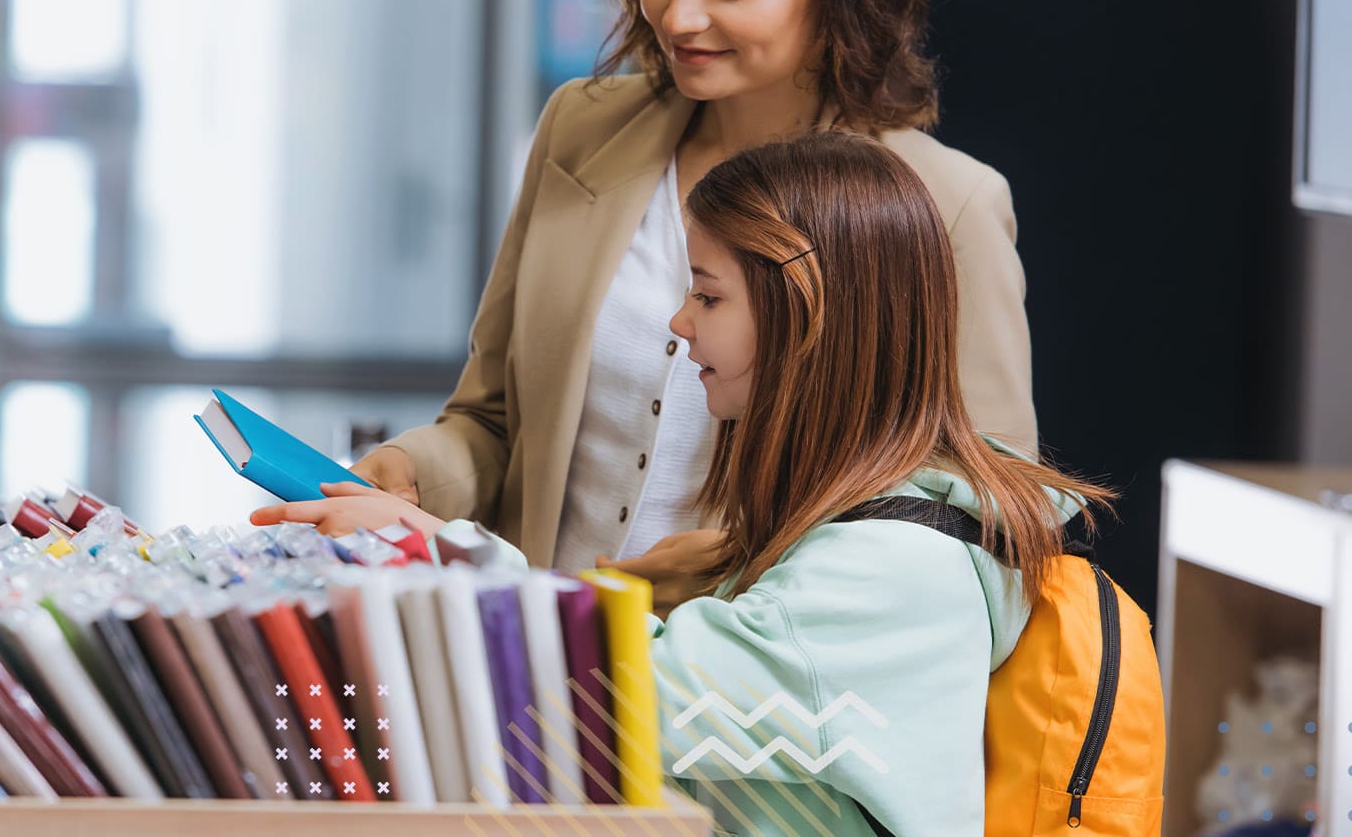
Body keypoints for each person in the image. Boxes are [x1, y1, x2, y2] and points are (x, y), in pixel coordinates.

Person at [255, 133, 1113, 835]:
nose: (678, 324)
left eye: (707, 296)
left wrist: (430, 548)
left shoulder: (889, 574)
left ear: (805, 315)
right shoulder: (868, 539)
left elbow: (618, 695)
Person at [349, 0, 1038, 583]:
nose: (679, 15)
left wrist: (748, 558)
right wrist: (411, 471)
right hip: (537, 666)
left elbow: (986, 519)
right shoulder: (581, 129)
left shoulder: (943, 204)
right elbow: (495, 421)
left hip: (747, 689)